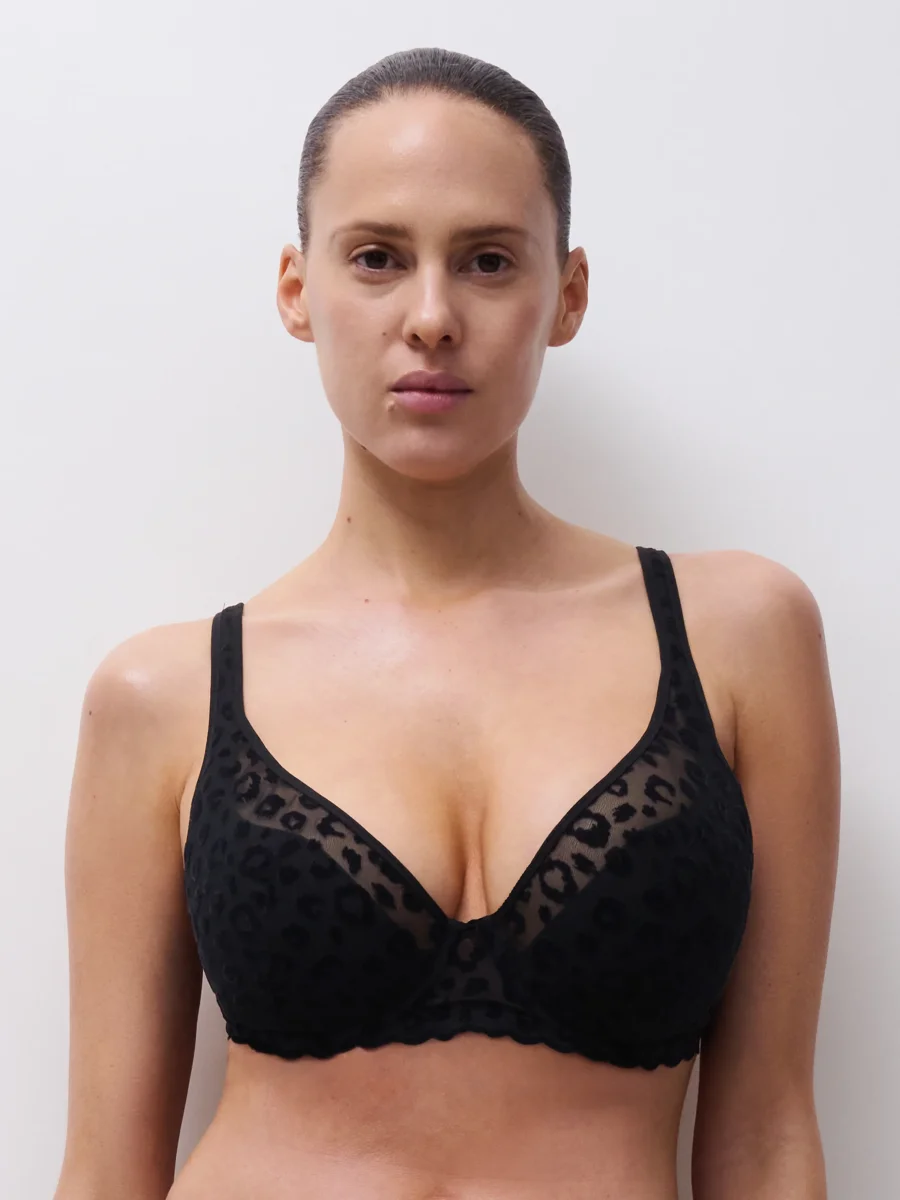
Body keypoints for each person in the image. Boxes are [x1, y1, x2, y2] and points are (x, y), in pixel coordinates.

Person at [54, 46, 840, 1200]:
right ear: (297, 290)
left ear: (566, 294)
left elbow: (767, 1139)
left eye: (487, 261)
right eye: (377, 258)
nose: (431, 318)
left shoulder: (740, 639)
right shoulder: (162, 697)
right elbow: (105, 1172)